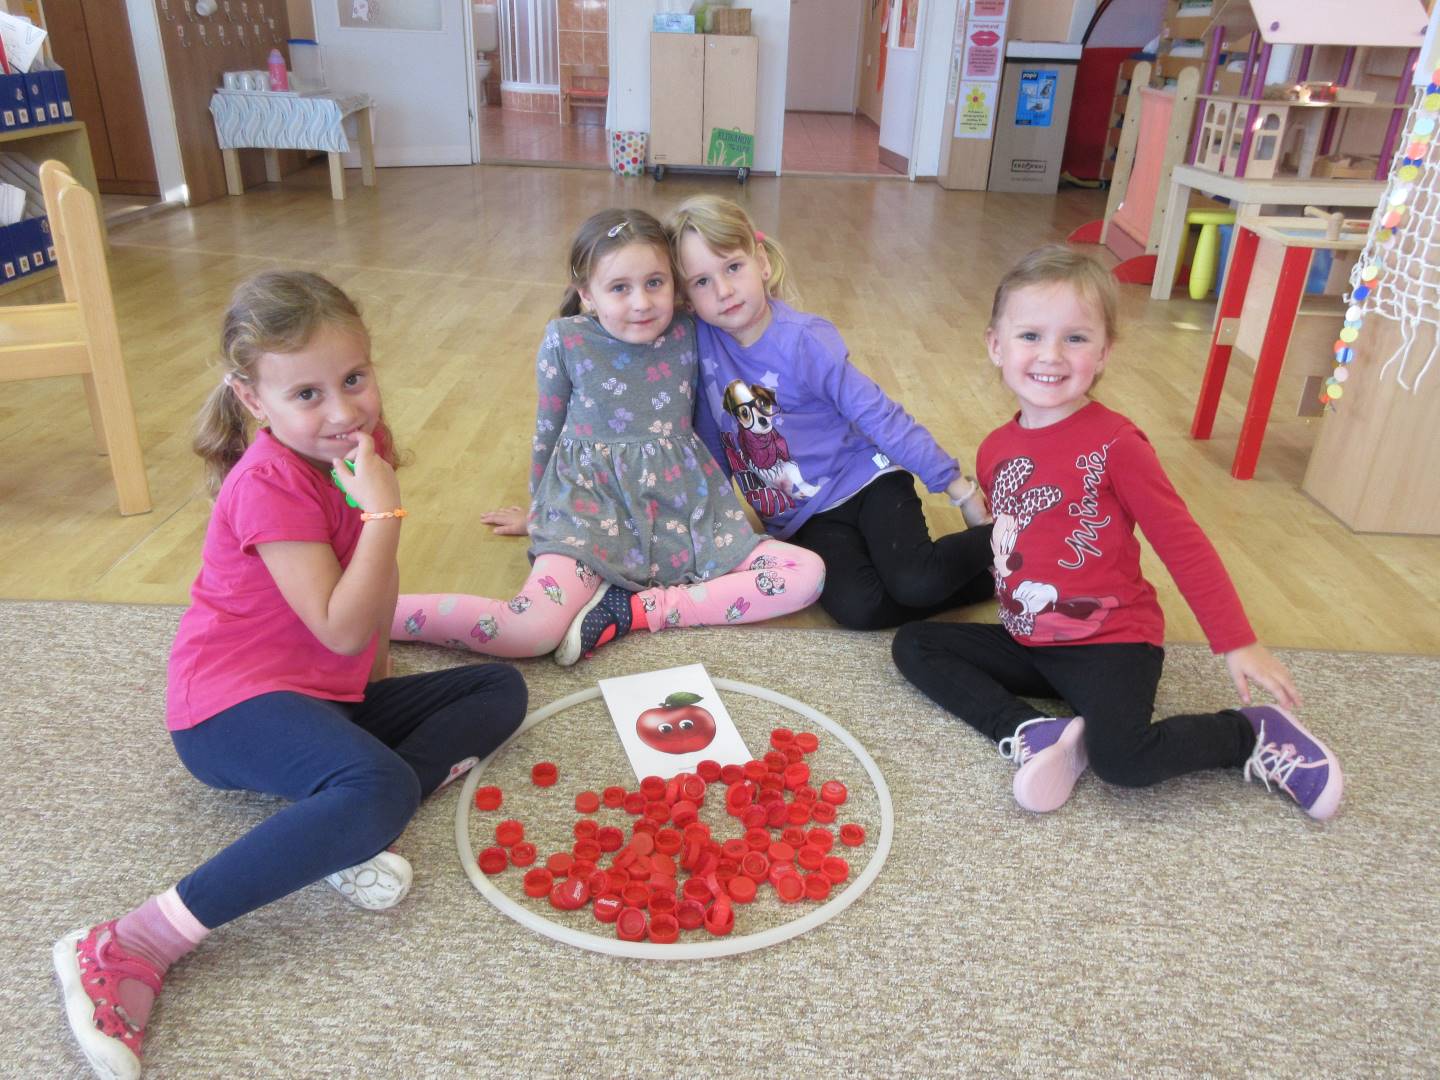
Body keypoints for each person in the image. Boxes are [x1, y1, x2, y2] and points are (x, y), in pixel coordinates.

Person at [53, 271, 528, 1079]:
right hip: (223, 709)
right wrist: (384, 514)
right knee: (377, 785)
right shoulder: (270, 484)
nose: (343, 411)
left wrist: (374, 681)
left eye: (354, 379)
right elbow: (339, 620)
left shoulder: (356, 453)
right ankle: (129, 941)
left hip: (318, 695)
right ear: (253, 399)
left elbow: (368, 609)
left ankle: (347, 825)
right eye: (308, 394)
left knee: (498, 690)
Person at [891, 246, 1342, 819]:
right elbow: (1012, 535)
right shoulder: (996, 448)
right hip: (1031, 638)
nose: (1051, 355)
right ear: (996, 346)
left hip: (1112, 642)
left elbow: (1183, 545)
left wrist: (1236, 641)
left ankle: (1249, 734)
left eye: (1076, 338)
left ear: (1104, 352)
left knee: (1124, 760)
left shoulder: (1118, 445)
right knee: (915, 644)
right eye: (1030, 335)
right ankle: (1032, 730)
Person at [395, 209, 824, 664]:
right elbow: (546, 432)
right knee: (528, 631)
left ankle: (638, 610)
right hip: (586, 516)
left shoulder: (689, 330)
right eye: (620, 288)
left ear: (675, 284)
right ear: (586, 294)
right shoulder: (565, 340)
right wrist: (540, 515)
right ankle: (380, 615)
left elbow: (744, 344)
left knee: (806, 572)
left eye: (655, 283)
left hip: (683, 516)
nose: (641, 302)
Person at [667, 194, 994, 632]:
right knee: (860, 609)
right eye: (702, 282)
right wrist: (703, 529)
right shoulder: (700, 344)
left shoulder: (804, 340)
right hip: (805, 517)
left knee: (914, 581)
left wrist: (962, 493)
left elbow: (881, 416)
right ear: (687, 298)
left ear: (760, 262)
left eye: (733, 267)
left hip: (868, 481)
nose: (723, 291)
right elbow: (713, 443)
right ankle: (989, 581)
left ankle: (1004, 537)